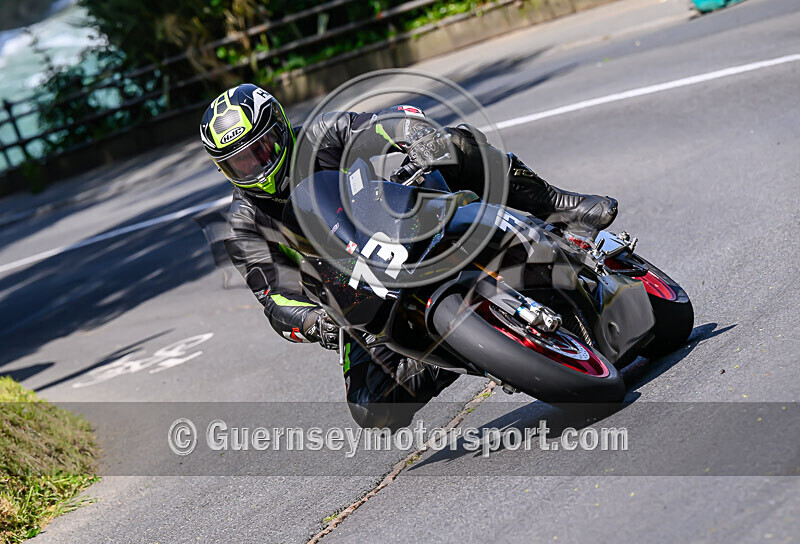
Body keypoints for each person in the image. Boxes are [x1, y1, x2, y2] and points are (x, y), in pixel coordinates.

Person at [200, 83, 618, 429]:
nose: (257, 164)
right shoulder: (243, 225)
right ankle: (464, 349)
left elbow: (385, 124)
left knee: (454, 144)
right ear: (224, 170)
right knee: (372, 408)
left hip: (404, 218)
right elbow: (275, 299)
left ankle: (560, 206)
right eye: (240, 162)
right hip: (355, 290)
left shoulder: (320, 135)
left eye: (262, 148)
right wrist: (315, 322)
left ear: (281, 128)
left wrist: (415, 137)